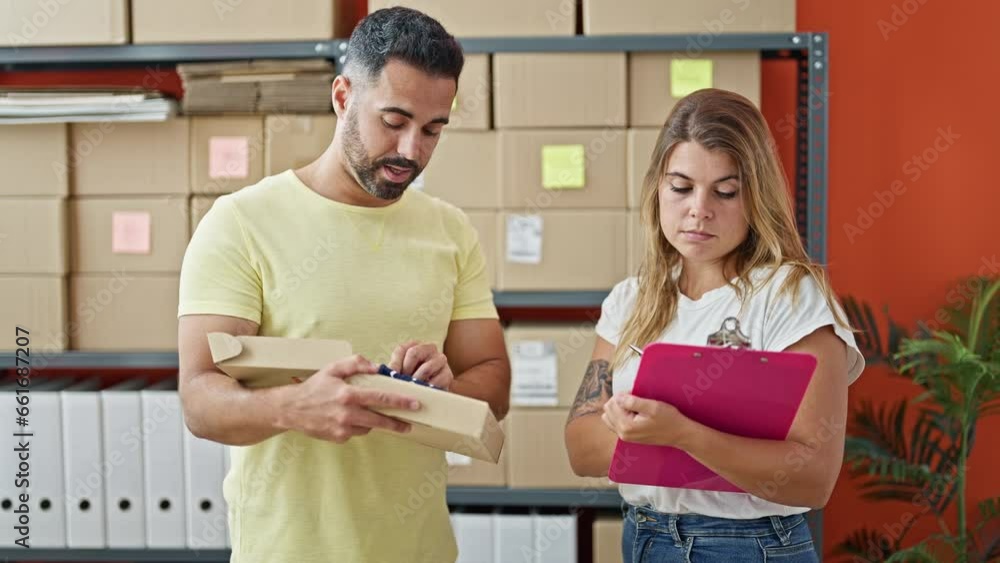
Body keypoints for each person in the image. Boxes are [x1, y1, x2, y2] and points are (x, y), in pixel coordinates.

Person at [175, 8, 510, 563]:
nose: (411, 151)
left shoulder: (449, 229)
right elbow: (199, 400)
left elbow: (494, 386)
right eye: (394, 120)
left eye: (432, 130)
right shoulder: (240, 222)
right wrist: (295, 407)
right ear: (341, 97)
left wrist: (445, 389)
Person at [564, 88, 865, 562]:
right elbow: (581, 449)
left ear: (756, 197)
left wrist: (680, 433)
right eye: (680, 187)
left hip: (750, 545)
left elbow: (813, 475)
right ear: (657, 190)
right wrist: (651, 435)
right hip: (644, 538)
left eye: (725, 191)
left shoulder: (791, 296)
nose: (698, 209)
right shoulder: (630, 299)